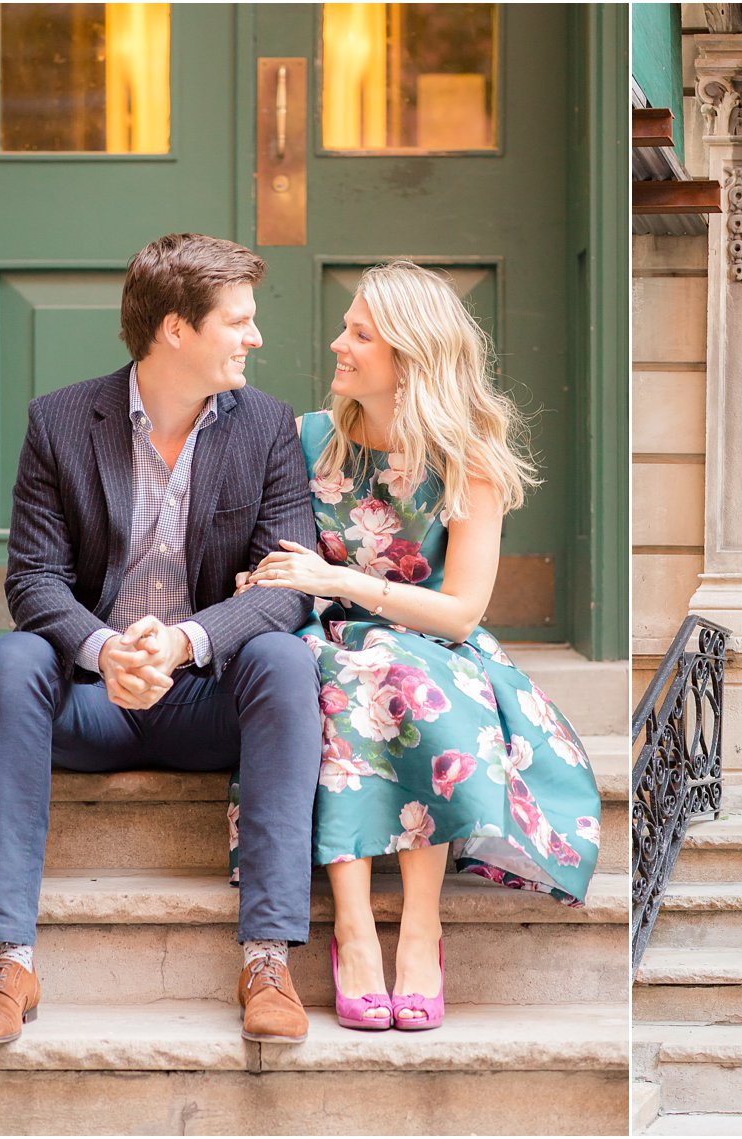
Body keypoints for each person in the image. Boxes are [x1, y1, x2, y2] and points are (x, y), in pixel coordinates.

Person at [0, 234, 323, 1046]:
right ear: (176, 330)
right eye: (239, 321)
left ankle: (266, 959)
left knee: (283, 660)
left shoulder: (265, 428)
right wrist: (102, 649)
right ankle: (8, 961)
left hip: (205, 703)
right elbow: (33, 579)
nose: (255, 337)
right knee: (12, 659)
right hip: (90, 703)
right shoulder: (59, 422)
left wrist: (188, 642)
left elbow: (288, 585)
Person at [241, 261, 601, 1032]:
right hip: (325, 637)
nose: (338, 343)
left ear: (409, 356)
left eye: (360, 334)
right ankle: (353, 927)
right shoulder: (306, 440)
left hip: (432, 641)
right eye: (347, 327)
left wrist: (346, 583)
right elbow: (280, 567)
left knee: (409, 673)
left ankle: (421, 928)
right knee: (330, 676)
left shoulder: (467, 460)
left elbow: (462, 612)